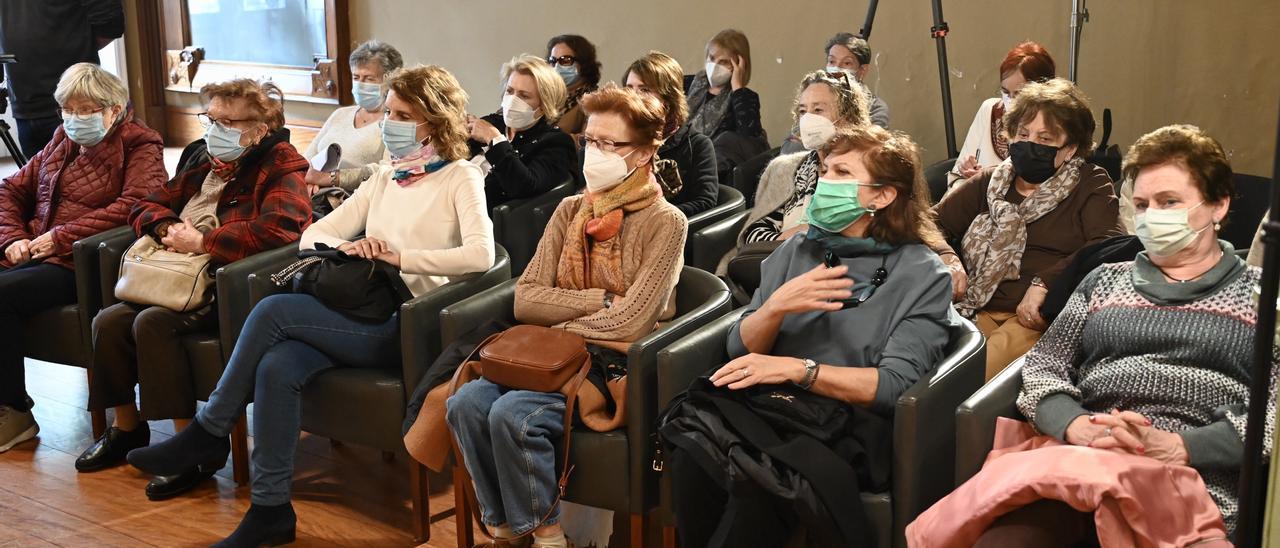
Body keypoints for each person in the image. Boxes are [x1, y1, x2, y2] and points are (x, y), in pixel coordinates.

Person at [122, 64, 495, 547]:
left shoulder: (460, 176)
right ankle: (271, 510)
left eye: (403, 114)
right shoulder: (387, 176)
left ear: (432, 121)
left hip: (409, 320)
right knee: (277, 366)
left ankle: (210, 428)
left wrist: (399, 255)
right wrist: (348, 248)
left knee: (274, 312)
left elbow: (482, 255)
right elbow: (314, 233)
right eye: (389, 112)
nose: (390, 123)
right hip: (363, 308)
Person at [909, 125, 1272, 546]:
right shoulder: (1104, 281)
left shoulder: (1262, 298)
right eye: (1142, 204)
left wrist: (1181, 446)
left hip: (1192, 483)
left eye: (1169, 202)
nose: (1152, 216)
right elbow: (1045, 365)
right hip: (1080, 463)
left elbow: (1273, 415)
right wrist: (1074, 423)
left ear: (1218, 205)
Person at [665, 126, 955, 547]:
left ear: (882, 196)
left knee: (759, 485)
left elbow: (892, 386)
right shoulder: (800, 248)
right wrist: (777, 305)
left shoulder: (922, 275)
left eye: (840, 172)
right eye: (824, 170)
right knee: (694, 456)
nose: (824, 182)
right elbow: (740, 348)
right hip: (768, 408)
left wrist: (798, 369)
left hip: (840, 423)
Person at [442, 86, 687, 548]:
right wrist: (600, 302)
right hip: (547, 350)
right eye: (590, 141)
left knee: (513, 414)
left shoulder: (667, 221)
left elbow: (634, 321)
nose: (594, 153)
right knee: (464, 404)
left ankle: (548, 537)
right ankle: (508, 530)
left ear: (643, 153)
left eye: (609, 144)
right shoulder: (570, 209)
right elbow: (526, 300)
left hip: (610, 361)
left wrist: (559, 320)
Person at [79, 79, 312, 500]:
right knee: (109, 321)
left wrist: (206, 241)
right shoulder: (205, 161)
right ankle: (127, 430)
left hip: (228, 285)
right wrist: (167, 226)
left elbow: (281, 230)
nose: (214, 129)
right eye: (211, 119)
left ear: (259, 129)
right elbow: (146, 203)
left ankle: (190, 450)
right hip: (176, 275)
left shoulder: (281, 166)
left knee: (153, 323)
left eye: (227, 121)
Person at [0, 63, 164, 453]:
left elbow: (137, 205)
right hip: (34, 251)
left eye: (86, 110)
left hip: (80, 262)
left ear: (115, 109)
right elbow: (10, 189)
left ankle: (14, 411)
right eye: (68, 110)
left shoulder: (141, 145)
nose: (75, 119)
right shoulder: (62, 139)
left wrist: (60, 237)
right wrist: (14, 237)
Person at [934, 78, 1121, 379]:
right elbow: (930, 222)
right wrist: (947, 257)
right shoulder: (991, 181)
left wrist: (1044, 282)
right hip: (970, 304)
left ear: (1070, 149)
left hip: (1031, 318)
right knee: (922, 359)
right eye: (1023, 134)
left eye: (1045, 139)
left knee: (966, 377)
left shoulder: (1090, 183)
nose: (1030, 144)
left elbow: (1109, 242)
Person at [741, 70, 870, 245]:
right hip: (778, 264)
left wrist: (806, 236)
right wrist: (794, 239)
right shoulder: (786, 169)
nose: (808, 118)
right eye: (803, 111)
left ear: (847, 117)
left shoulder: (867, 172)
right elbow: (754, 235)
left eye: (818, 109)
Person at [0, 0, 124, 158]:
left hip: (74, 102)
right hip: (24, 102)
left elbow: (110, 23)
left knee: (85, 177)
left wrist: (69, 49)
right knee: (37, 179)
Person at [467, 54, 576, 209]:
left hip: (489, 221)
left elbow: (524, 186)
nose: (512, 100)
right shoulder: (494, 122)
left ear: (544, 106)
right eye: (510, 91)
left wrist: (495, 140)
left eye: (524, 96)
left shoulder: (556, 143)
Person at [301, 39, 403, 195]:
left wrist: (331, 178)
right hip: (316, 195)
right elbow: (307, 158)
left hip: (358, 200)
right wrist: (309, 181)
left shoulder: (395, 122)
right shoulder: (340, 115)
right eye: (356, 78)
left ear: (389, 80)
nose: (361, 84)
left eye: (369, 79)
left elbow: (386, 170)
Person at [949, 41, 1056, 189]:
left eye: (1020, 94)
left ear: (1044, 91)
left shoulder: (1053, 129)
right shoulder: (989, 110)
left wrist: (986, 183)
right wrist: (966, 174)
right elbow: (956, 176)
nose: (1010, 101)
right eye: (1005, 92)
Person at [623, 51, 718, 217]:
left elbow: (705, 202)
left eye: (644, 90)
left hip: (667, 230)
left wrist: (651, 217)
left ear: (668, 98)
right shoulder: (618, 139)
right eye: (629, 88)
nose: (634, 97)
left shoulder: (697, 145)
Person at [684, 29, 767, 178]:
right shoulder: (687, 84)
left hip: (713, 172)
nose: (714, 65)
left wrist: (737, 87)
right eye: (712, 58)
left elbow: (749, 141)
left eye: (723, 62)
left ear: (739, 65)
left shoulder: (744, 98)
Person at [823, 32, 889, 130]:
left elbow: (873, 141)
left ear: (862, 70)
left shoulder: (875, 108)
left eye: (846, 63)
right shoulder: (813, 98)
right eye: (832, 61)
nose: (836, 68)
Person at [545, 34, 601, 138]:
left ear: (583, 63)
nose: (557, 67)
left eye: (565, 60)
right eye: (552, 61)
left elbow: (587, 143)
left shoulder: (594, 101)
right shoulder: (547, 98)